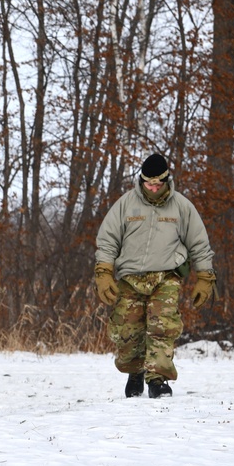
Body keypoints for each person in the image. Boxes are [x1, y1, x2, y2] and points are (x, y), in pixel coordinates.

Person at [95, 153, 216, 398]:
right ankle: (136, 371)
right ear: (141, 181)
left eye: (157, 184)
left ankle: (158, 380)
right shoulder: (126, 204)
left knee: (162, 325)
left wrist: (205, 277)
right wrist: (104, 271)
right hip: (131, 277)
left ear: (166, 181)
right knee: (127, 330)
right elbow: (108, 239)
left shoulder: (181, 206)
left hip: (166, 276)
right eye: (148, 184)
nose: (152, 188)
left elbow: (199, 244)